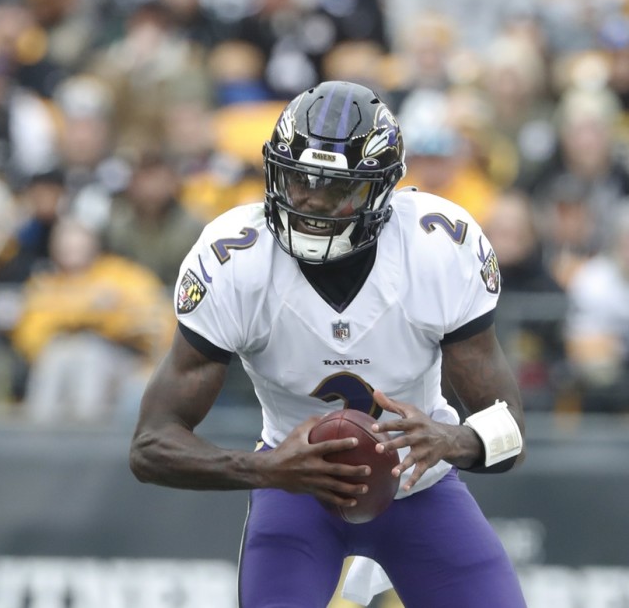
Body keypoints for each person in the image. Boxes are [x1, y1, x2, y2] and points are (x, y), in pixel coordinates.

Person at [129, 80, 528, 607]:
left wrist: (450, 440)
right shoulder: (236, 262)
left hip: (420, 486)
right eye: (298, 180)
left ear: (379, 190)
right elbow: (150, 444)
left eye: (336, 188)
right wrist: (266, 469)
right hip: (296, 489)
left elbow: (511, 429)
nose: (311, 201)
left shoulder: (436, 247)